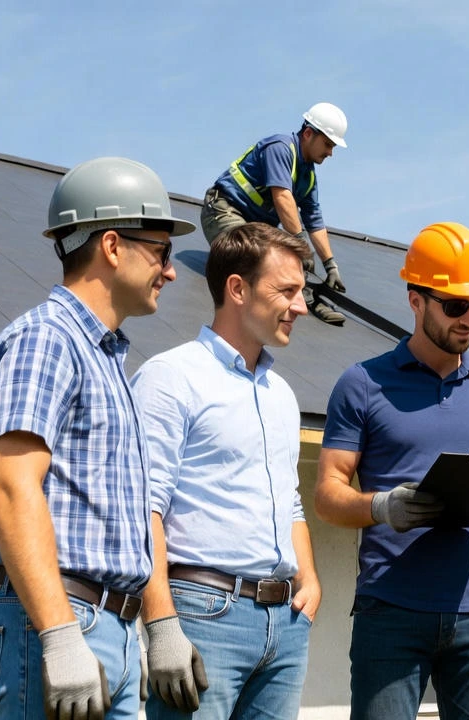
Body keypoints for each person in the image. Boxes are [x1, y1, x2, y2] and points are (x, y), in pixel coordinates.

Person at [0, 157, 195, 720]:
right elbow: (12, 488)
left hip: (105, 628)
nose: (170, 272)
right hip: (56, 624)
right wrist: (60, 635)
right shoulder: (46, 340)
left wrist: (158, 626)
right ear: (113, 246)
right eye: (162, 252)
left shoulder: (105, 357)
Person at [313, 222, 469, 719]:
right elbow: (327, 494)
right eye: (456, 305)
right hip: (390, 612)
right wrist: (382, 506)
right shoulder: (362, 384)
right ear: (415, 300)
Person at [130, 223, 322, 718]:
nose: (301, 306)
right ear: (237, 289)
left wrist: (310, 580)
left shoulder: (282, 394)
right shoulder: (170, 378)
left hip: (286, 624)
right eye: (287, 291)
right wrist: (161, 627)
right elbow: (143, 509)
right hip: (203, 614)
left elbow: (290, 500)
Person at [202, 102, 349, 326]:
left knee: (279, 258)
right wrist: (302, 245)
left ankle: (305, 294)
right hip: (222, 211)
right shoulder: (280, 148)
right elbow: (282, 197)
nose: (330, 152)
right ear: (308, 134)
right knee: (259, 258)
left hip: (255, 230)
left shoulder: (308, 176)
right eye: (328, 144)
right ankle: (306, 299)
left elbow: (314, 221)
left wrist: (330, 266)